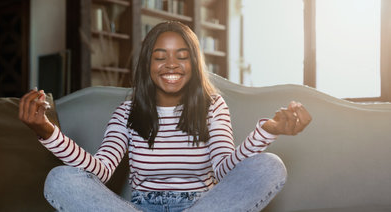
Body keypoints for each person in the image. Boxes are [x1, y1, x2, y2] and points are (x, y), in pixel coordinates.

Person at [19, 21, 311, 212]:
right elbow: (100, 170)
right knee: (61, 178)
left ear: (194, 63)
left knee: (269, 165)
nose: (171, 64)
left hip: (203, 207)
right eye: (160, 56)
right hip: (141, 208)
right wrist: (47, 132)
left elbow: (225, 169)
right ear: (148, 63)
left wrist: (269, 130)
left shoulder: (213, 106)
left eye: (181, 55)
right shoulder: (127, 112)